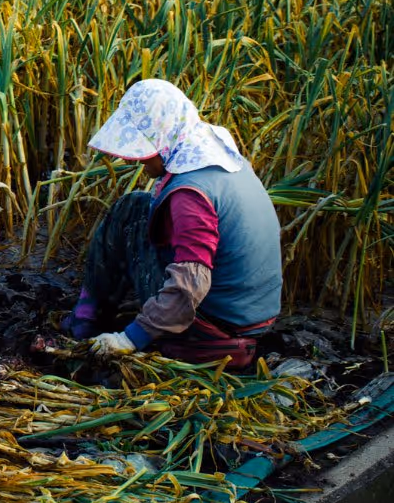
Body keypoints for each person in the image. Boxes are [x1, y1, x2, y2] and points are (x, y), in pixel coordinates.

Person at [63, 79, 282, 371]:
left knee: (127, 214)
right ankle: (92, 315)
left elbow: (190, 286)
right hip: (251, 315)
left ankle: (85, 322)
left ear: (162, 137)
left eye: (143, 148)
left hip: (215, 327)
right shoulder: (219, 155)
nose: (135, 160)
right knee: (138, 206)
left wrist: (129, 339)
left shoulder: (190, 194)